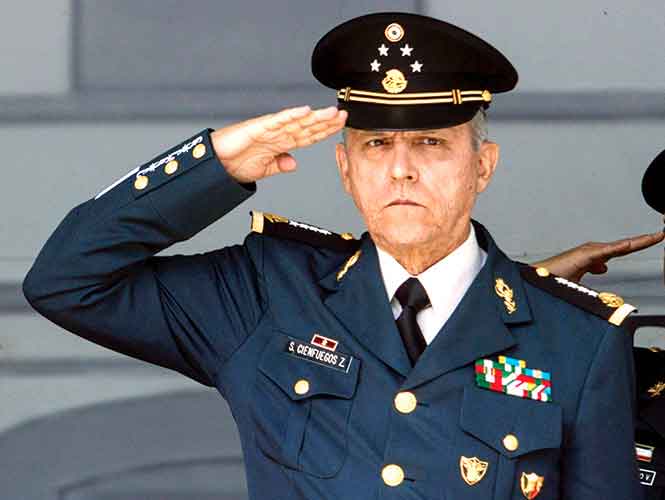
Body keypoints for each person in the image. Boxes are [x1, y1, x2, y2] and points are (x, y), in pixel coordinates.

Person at [23, 12, 644, 500]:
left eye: (431, 143)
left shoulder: (577, 342)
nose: (401, 170)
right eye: (376, 145)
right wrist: (215, 163)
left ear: (482, 166)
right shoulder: (268, 292)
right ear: (345, 169)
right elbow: (67, 282)